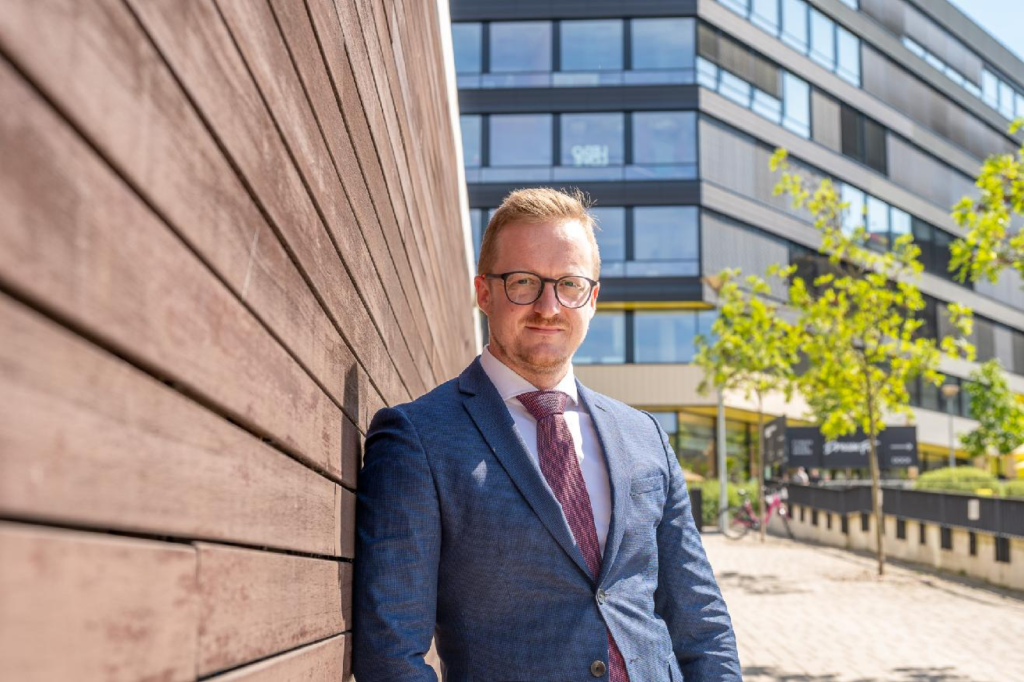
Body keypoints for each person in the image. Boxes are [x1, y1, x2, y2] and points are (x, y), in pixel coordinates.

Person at [353, 188, 742, 682]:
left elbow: (702, 622)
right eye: (523, 282)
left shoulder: (645, 436)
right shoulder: (418, 439)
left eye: (569, 285)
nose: (548, 306)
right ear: (484, 292)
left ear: (592, 298)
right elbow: (390, 654)